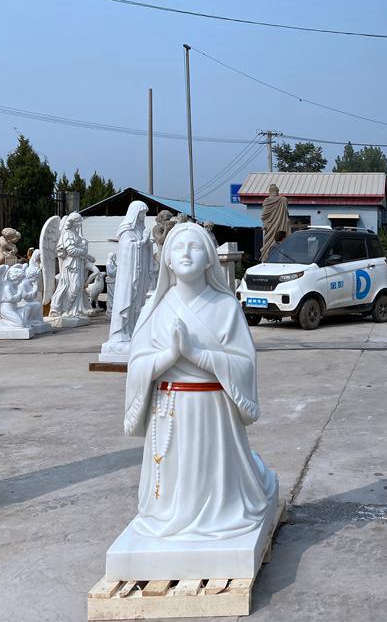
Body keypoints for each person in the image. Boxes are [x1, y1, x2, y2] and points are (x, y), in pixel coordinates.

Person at [123, 222, 277, 539]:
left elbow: (244, 363)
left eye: (195, 247)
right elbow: (137, 363)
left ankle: (221, 509)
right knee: (174, 480)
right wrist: (168, 356)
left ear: (210, 259)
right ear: (166, 259)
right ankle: (169, 514)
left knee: (212, 476)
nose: (186, 254)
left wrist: (197, 354)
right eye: (178, 247)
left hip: (213, 409)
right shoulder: (154, 309)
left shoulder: (226, 307)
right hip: (168, 408)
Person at [102, 201, 152, 353]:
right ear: (135, 214)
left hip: (138, 274)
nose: (144, 216)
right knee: (127, 302)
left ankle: (132, 333)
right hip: (128, 277)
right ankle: (121, 335)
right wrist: (142, 242)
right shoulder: (126, 231)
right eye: (142, 213)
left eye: (145, 213)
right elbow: (128, 250)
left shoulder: (139, 230)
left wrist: (146, 244)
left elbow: (144, 249)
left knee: (137, 304)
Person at [49, 213, 89, 317]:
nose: (80, 224)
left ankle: (73, 311)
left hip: (78, 263)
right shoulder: (67, 234)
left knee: (79, 286)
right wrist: (83, 251)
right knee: (73, 287)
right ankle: (64, 309)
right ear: (72, 221)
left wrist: (84, 246)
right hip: (71, 264)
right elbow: (71, 250)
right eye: (78, 221)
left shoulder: (75, 233)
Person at [260, 184, 290, 262]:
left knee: (268, 243)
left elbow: (263, 216)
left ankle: (266, 258)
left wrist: (265, 223)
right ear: (277, 191)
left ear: (270, 192)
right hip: (280, 225)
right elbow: (287, 213)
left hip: (269, 226)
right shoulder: (283, 200)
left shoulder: (267, 201)